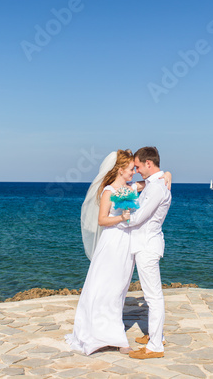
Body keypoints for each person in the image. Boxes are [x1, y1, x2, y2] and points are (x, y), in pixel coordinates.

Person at [65, 149, 171, 355]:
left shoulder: (130, 188)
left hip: (127, 245)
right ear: (120, 169)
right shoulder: (108, 191)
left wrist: (167, 175)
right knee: (104, 287)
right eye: (131, 169)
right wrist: (122, 219)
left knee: (119, 290)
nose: (134, 172)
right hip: (112, 243)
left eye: (136, 168)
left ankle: (113, 333)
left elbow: (151, 183)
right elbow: (102, 220)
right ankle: (99, 333)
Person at [118, 146, 171, 359]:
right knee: (152, 296)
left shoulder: (157, 188)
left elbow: (138, 217)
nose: (137, 170)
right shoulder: (156, 183)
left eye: (138, 166)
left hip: (147, 246)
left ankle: (156, 346)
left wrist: (117, 220)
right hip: (146, 244)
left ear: (149, 163)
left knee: (153, 296)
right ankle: (155, 336)